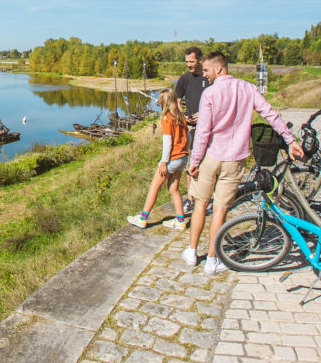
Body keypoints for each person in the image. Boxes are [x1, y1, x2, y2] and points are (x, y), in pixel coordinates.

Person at [183, 52, 303, 274]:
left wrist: (194, 161)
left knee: (200, 203)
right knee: (220, 210)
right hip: (235, 159)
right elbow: (270, 114)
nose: (205, 74)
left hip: (211, 157)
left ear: (219, 68)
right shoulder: (248, 89)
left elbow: (203, 132)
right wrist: (290, 140)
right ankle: (212, 261)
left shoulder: (210, 93)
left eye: (207, 70)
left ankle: (192, 252)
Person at [127, 89, 189, 230]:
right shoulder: (181, 116)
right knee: (174, 189)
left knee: (154, 187)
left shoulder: (167, 118)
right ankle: (180, 220)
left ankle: (142, 218)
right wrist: (185, 151)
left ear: (163, 102)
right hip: (183, 157)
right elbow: (189, 138)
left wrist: (164, 163)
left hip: (172, 159)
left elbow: (167, 143)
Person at [175, 46, 208, 213]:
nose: (189, 65)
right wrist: (183, 115)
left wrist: (204, 113)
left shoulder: (208, 77)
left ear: (200, 60)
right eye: (187, 61)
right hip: (190, 126)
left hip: (207, 126)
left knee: (206, 164)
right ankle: (190, 199)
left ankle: (205, 198)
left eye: (192, 62)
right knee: (191, 164)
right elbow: (177, 100)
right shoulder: (184, 79)